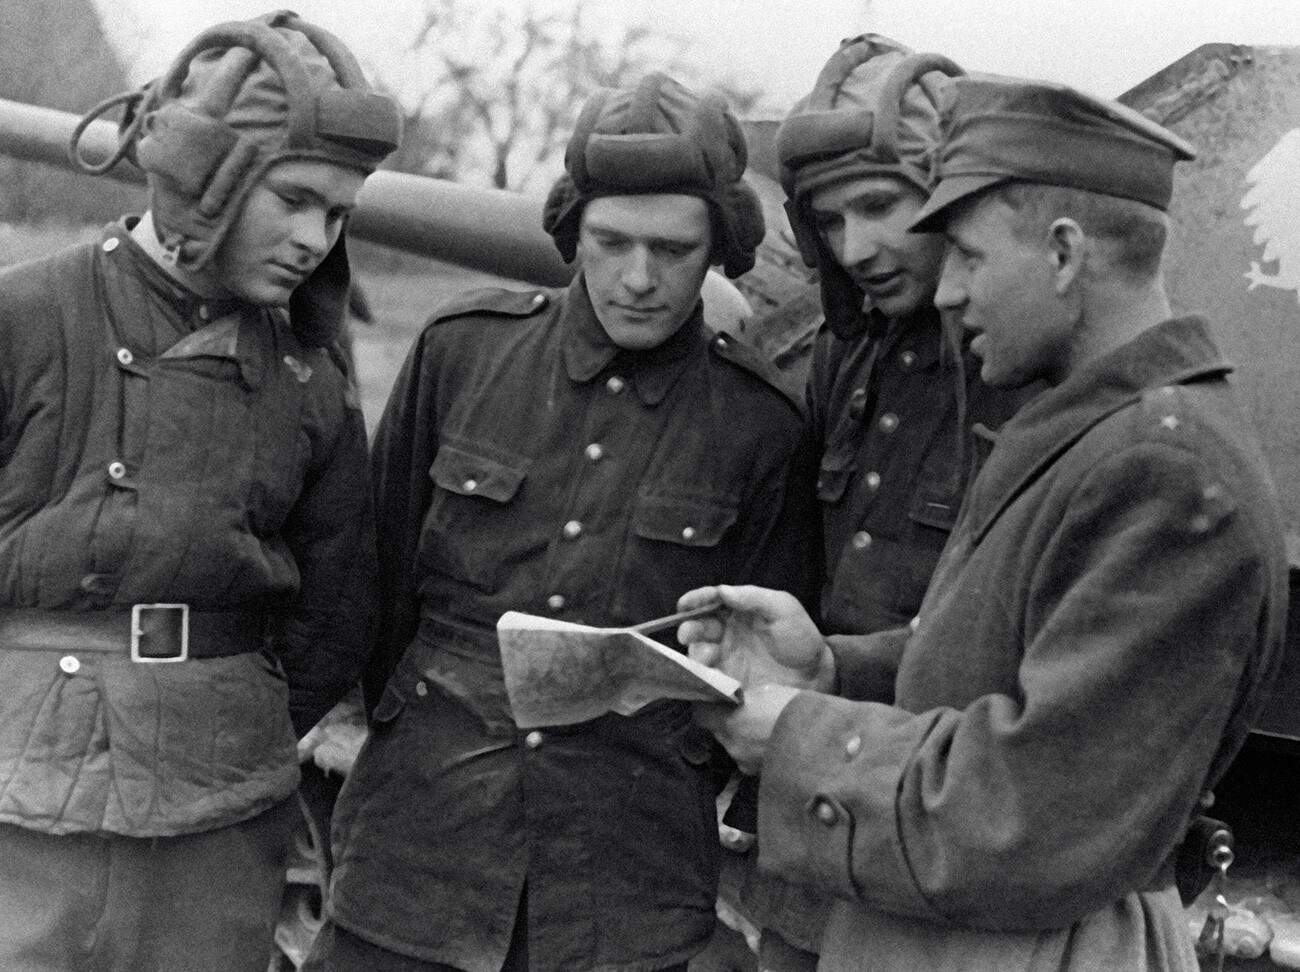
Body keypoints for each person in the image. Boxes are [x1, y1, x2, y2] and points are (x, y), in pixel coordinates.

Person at [679, 74, 1288, 972]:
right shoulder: (1094, 433)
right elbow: (1010, 660)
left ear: (1065, 254)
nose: (949, 292)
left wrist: (799, 733)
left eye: (968, 255)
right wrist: (833, 666)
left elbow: (1036, 808)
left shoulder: (1166, 474)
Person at [304, 73, 817, 972]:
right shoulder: (462, 351)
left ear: (719, 249)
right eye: (611, 241)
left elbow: (760, 663)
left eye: (673, 248)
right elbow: (374, 583)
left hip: (625, 875)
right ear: (572, 229)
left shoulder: (759, 422)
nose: (639, 278)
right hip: (419, 848)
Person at [0, 12, 400, 972]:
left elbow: (338, 607)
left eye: (338, 214)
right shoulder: (26, 316)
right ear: (204, 177)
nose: (315, 238)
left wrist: (224, 708)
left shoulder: (310, 375)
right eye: (295, 198)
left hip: (218, 806)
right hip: (20, 793)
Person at [699, 36, 1042, 972]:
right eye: (831, 218)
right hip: (819, 800)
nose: (857, 248)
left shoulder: (1018, 371)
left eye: (883, 206)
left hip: (939, 808)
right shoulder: (851, 353)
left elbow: (1008, 643)